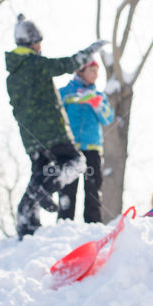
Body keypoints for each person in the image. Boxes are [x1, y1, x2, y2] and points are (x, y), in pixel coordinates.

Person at [5, 13, 106, 239]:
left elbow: (15, 107)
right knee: (77, 162)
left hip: (30, 137)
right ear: (32, 43)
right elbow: (67, 64)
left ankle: (26, 222)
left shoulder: (12, 76)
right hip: (52, 132)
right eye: (38, 41)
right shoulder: (36, 64)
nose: (40, 46)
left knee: (39, 173)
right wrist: (89, 52)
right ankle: (44, 189)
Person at [58, 56, 114, 223]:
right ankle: (64, 222)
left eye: (97, 72)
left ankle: (93, 223)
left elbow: (108, 119)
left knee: (93, 186)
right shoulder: (65, 93)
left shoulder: (99, 96)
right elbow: (57, 115)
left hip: (93, 147)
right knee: (68, 186)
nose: (95, 75)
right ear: (80, 71)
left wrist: (98, 106)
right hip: (70, 147)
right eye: (92, 70)